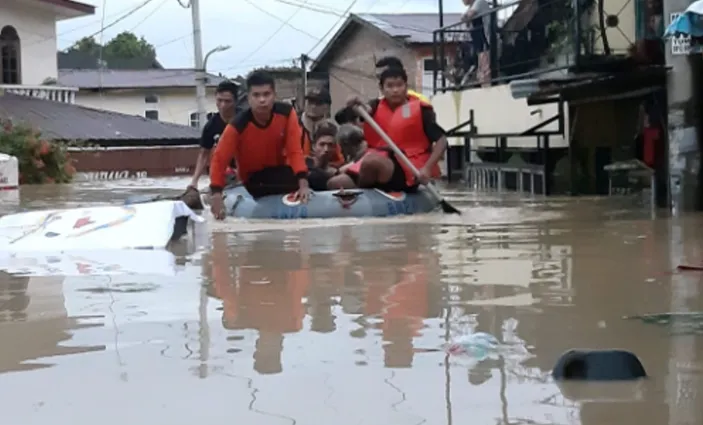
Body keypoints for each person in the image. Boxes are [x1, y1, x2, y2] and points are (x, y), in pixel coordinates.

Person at [327, 66, 448, 192]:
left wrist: (427, 168)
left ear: (406, 87)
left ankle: (361, 192)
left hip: (409, 167)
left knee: (371, 162)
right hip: (377, 162)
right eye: (389, 86)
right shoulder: (375, 106)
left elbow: (442, 141)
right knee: (335, 183)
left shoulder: (422, 110)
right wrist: (356, 104)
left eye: (399, 85)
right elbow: (366, 110)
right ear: (382, 89)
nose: (395, 90)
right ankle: (363, 192)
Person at [209, 70, 310, 220]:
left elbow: (294, 150)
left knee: (314, 172)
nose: (262, 100)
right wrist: (216, 193)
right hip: (255, 179)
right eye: (256, 95)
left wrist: (303, 183)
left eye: (266, 94)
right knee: (309, 177)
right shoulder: (238, 125)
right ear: (249, 98)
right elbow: (219, 159)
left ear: (274, 95)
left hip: (281, 171)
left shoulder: (287, 113)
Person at [187, 80, 239, 191]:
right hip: (225, 173)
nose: (223, 105)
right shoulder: (211, 126)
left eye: (227, 101)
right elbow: (204, 154)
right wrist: (194, 181)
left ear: (235, 101)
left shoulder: (245, 119)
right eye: (219, 100)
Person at [300, 88, 345, 167]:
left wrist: (325, 166)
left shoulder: (333, 129)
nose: (313, 106)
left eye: (318, 103)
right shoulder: (293, 125)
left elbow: (340, 159)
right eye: (310, 102)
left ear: (327, 107)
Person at [306, 121, 342, 191]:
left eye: (330, 145)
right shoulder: (304, 165)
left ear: (335, 148)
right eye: (322, 144)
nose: (326, 149)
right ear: (313, 146)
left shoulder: (336, 170)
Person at [461, 0, 491, 77]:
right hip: (479, 43)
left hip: (486, 40)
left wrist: (466, 17)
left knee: (485, 69)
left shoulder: (479, 2)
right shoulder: (470, 7)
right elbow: (465, 22)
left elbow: (468, 16)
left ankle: (487, 85)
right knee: (480, 68)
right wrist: (465, 18)